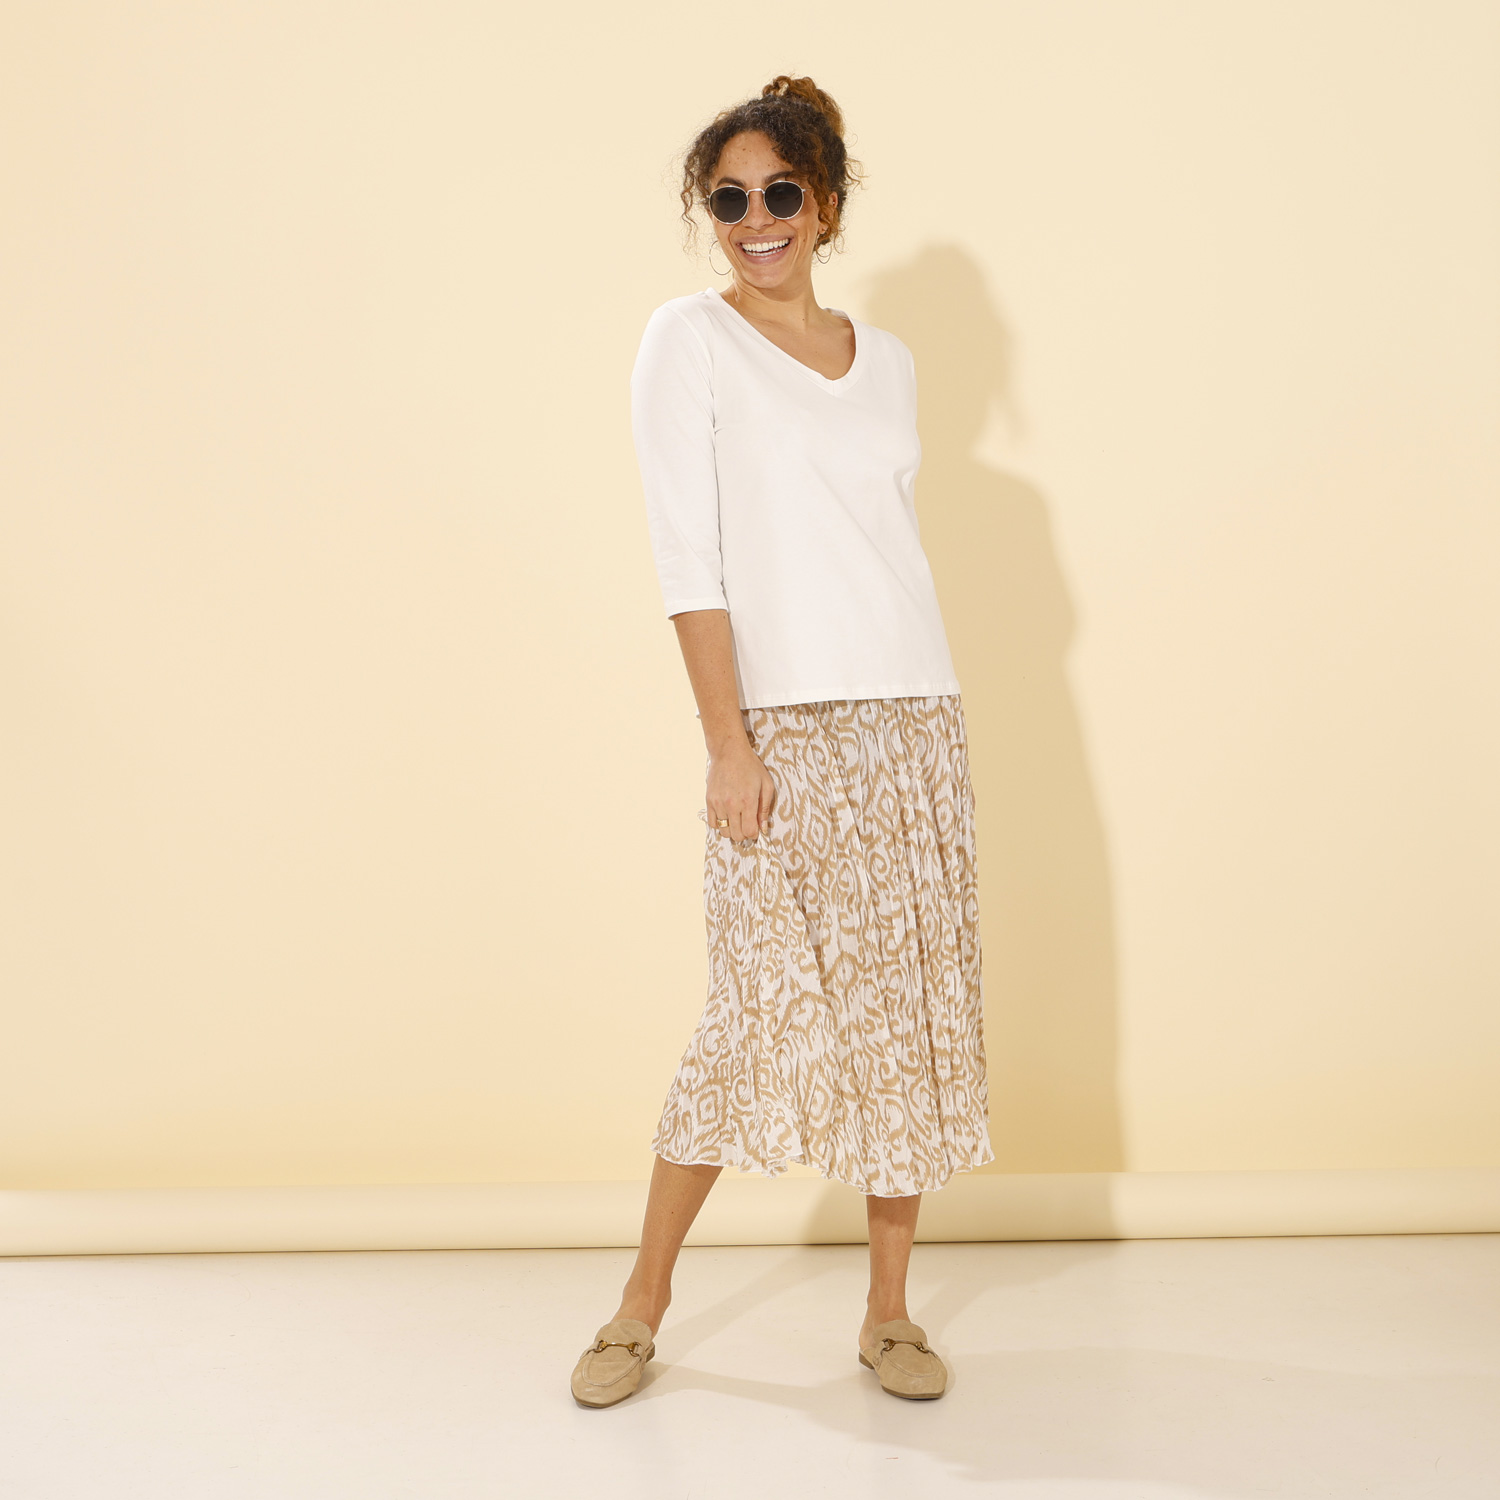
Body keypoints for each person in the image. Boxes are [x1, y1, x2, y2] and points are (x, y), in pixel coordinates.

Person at [570, 75, 992, 1408]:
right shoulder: (687, 340)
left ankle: (888, 1314)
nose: (757, 220)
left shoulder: (891, 361)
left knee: (906, 1015)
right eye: (730, 199)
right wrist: (728, 741)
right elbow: (686, 557)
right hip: (782, 729)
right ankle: (640, 1306)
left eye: (781, 194)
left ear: (827, 204)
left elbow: (881, 544)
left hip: (913, 714)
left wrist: (913, 720)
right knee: (750, 1015)